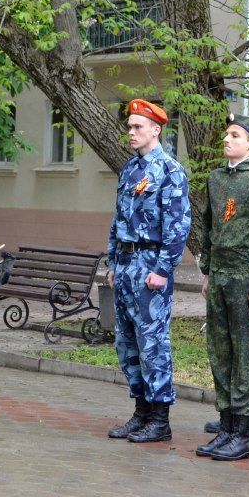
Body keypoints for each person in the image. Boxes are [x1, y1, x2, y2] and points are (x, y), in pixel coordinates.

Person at [106, 99, 192, 443]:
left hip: (150, 266)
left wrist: (163, 268)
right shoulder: (130, 169)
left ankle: (160, 418)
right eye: (129, 126)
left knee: (153, 342)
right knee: (126, 341)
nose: (131, 132)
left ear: (156, 130)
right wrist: (112, 261)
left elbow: (178, 225)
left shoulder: (170, 170)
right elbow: (118, 218)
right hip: (126, 264)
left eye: (138, 126)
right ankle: (140, 411)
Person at [196, 114, 249, 461]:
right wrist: (207, 270)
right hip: (220, 275)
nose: (227, 139)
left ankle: (243, 432)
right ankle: (226, 424)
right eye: (227, 134)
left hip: (246, 276)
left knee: (246, 353)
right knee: (221, 349)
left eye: (235, 135)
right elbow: (210, 227)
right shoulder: (217, 178)